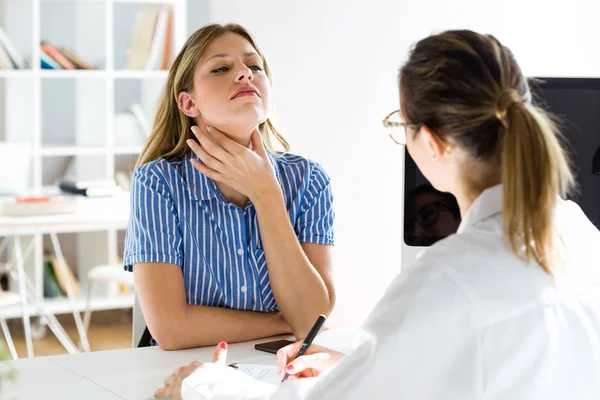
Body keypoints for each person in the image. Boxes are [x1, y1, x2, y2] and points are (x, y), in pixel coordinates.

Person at [154, 29, 600, 399]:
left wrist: (206, 386)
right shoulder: (578, 231)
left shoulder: (444, 277)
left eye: (400, 126)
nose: (245, 76)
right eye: (222, 67)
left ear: (432, 142)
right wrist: (362, 364)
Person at [123, 24, 336, 350]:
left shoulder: (310, 180)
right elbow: (170, 329)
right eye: (222, 68)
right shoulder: (158, 183)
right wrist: (285, 322)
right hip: (187, 374)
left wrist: (266, 194)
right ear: (188, 103)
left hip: (280, 372)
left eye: (254, 66)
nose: (245, 75)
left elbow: (310, 323)